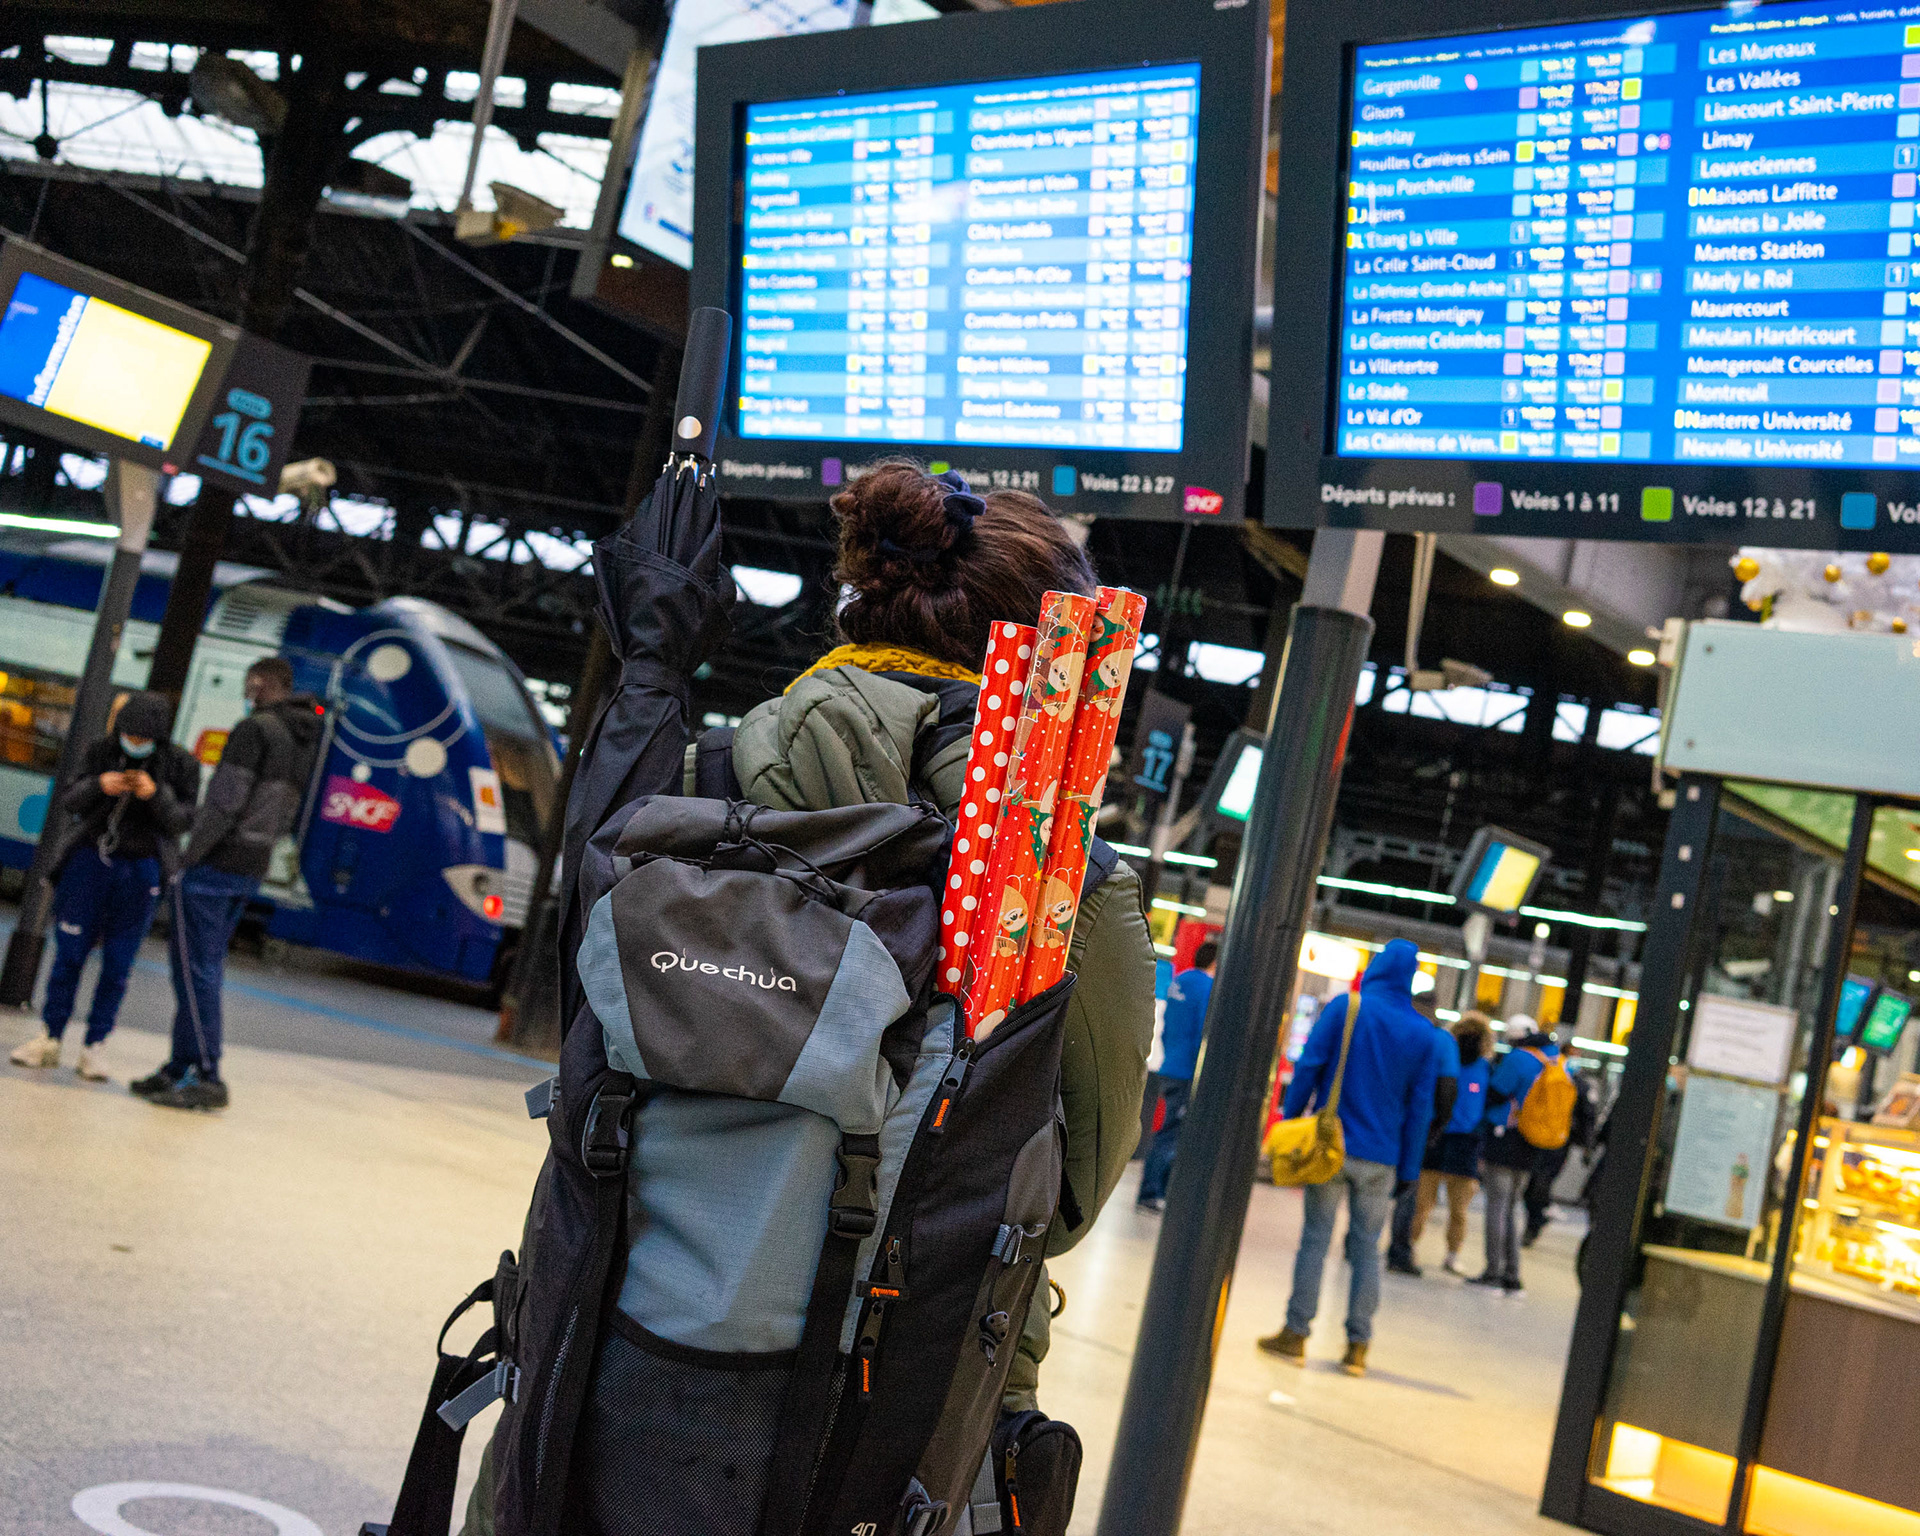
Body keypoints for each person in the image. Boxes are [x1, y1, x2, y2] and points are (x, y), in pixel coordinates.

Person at [460, 458, 1156, 1536]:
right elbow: (1059, 1208)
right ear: (1044, 659)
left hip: (599, 1383)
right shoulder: (1060, 886)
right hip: (897, 1429)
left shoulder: (688, 784)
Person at [132, 656, 323, 1111]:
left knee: (194, 969)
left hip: (216, 863)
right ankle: (178, 1067)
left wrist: (189, 857)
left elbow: (225, 802)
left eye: (249, 681)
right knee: (204, 966)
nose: (246, 689)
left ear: (260, 682)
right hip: (252, 865)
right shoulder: (302, 737)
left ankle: (207, 1074)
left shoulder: (254, 730)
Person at [1258, 939, 1443, 1378]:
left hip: (1331, 1148)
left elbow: (1310, 1066)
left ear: (1378, 967)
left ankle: (1296, 1334)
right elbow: (1421, 1109)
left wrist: (1292, 1119)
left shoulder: (1348, 1008)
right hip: (1382, 1159)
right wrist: (1409, 1168)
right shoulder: (1425, 1034)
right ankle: (1357, 1347)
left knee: (1315, 1240)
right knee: (1366, 1250)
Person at [8, 692, 199, 1080]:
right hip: (88, 863)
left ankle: (96, 1045)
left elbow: (183, 820)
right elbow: (69, 798)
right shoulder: (99, 751)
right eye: (129, 735)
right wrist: (99, 785)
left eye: (144, 739)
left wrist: (155, 795)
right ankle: (50, 1035)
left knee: (118, 963)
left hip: (142, 870)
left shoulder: (181, 765)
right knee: (69, 954)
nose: (135, 742)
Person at [1473, 1013, 1560, 1296]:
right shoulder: (1554, 1059)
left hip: (1505, 1139)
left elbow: (1496, 1092)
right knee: (1512, 1207)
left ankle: (1493, 1271)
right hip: (1533, 1142)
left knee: (1497, 1207)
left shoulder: (1519, 1058)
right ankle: (1512, 1274)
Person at [1408, 1010, 1494, 1276]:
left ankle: (1453, 1253)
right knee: (1422, 1202)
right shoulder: (1445, 1059)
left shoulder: (1487, 1069)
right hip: (1437, 1137)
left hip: (1466, 1143)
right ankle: (1409, 1246)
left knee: (1459, 1209)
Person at [1136, 938, 1216, 1211]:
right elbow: (1203, 1033)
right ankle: (1152, 1192)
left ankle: (1157, 1191)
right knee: (1171, 1136)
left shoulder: (1179, 981)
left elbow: (1168, 1025)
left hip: (1170, 1065)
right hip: (1187, 1072)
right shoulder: (1207, 987)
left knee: (1168, 1131)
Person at [1385, 998, 1460, 1275]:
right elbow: (1448, 1088)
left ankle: (1355, 1244)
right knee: (1408, 1189)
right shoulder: (1441, 1040)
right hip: (1419, 1127)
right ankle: (1399, 1252)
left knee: (1373, 1184)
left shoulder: (1392, 1029)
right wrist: (1439, 1125)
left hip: (1383, 1122)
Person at [1525, 1058, 1598, 1244]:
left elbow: (1587, 1118)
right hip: (1546, 1140)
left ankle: (1536, 1222)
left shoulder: (1578, 1086)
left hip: (1560, 1144)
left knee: (1540, 1183)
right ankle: (1539, 1216)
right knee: (1534, 1185)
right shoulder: (1552, 1079)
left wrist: (1588, 1147)